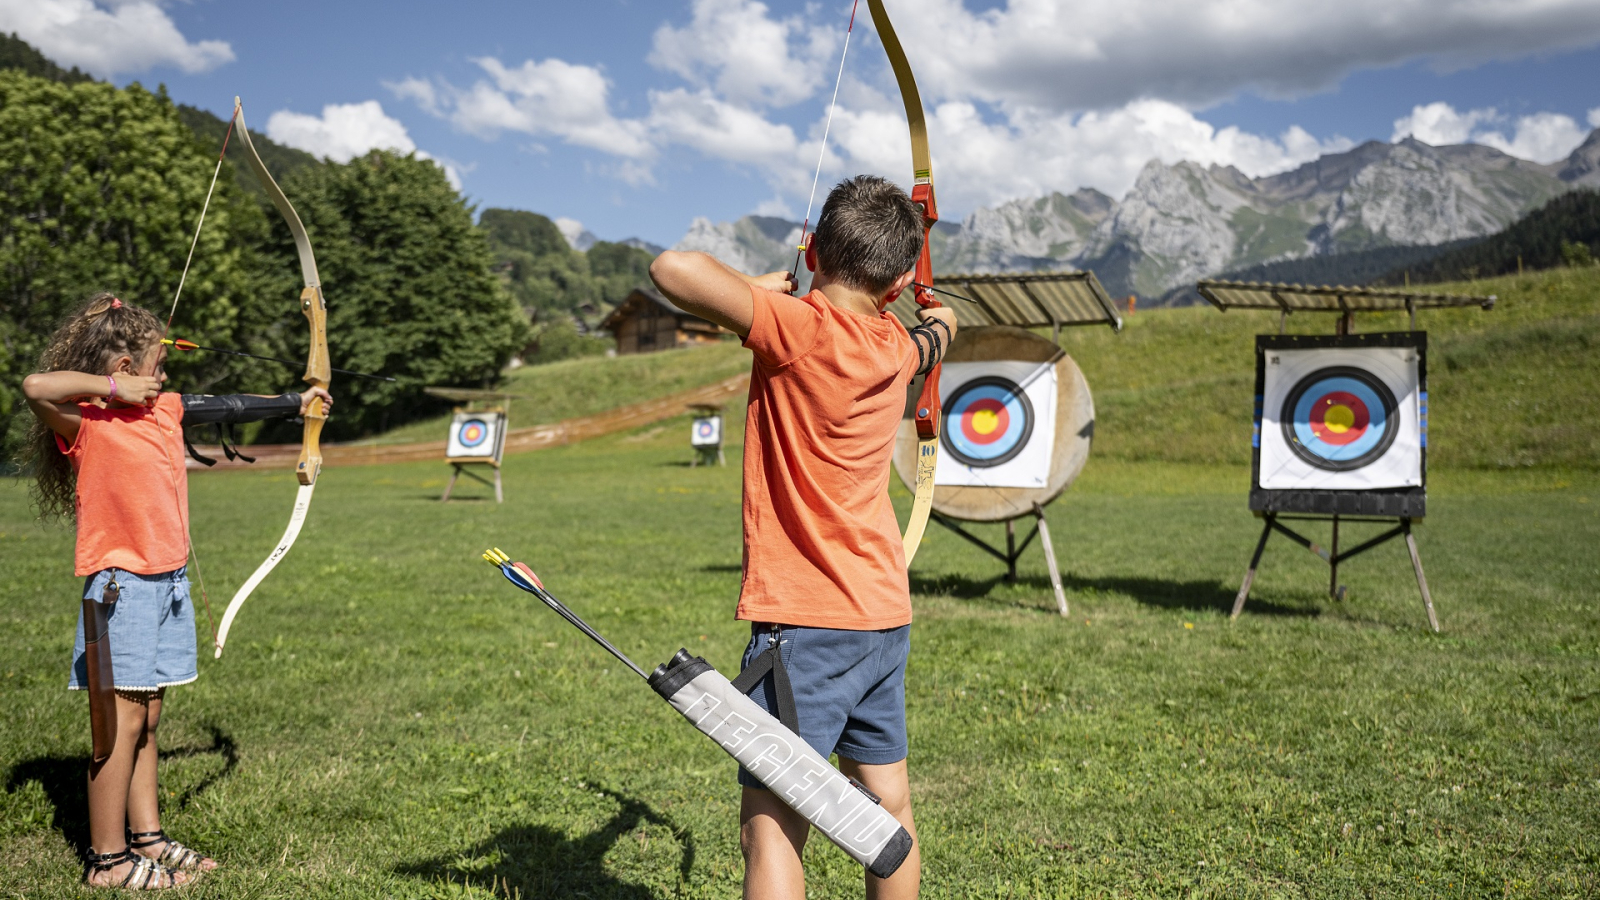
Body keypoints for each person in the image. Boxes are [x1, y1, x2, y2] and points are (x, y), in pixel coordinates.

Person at [649, 175, 956, 900]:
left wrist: (780, 282)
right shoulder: (898, 348)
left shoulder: (800, 325)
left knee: (774, 829)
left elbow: (672, 271)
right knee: (888, 814)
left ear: (815, 249)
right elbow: (939, 334)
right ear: (901, 279)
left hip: (805, 627)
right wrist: (933, 310)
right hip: (883, 616)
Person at [20, 293, 333, 890]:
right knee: (118, 727)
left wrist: (300, 402)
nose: (164, 374)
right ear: (123, 370)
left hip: (168, 584)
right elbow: (36, 385)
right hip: (122, 589)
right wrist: (112, 392)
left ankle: (148, 839)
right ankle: (108, 863)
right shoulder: (87, 421)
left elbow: (231, 407)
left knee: (150, 719)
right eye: (155, 364)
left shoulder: (166, 410)